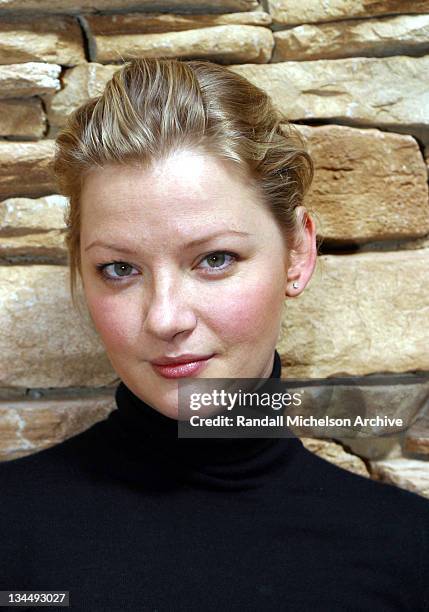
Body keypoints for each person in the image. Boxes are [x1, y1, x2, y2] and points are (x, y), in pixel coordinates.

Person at [0, 57, 428, 612]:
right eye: (119, 268)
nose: (166, 318)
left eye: (215, 259)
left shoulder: (408, 553)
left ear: (297, 253)